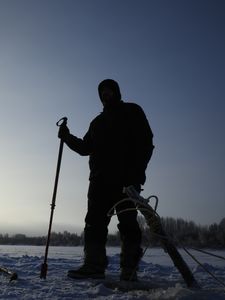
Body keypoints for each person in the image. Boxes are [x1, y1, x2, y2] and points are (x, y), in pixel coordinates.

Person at [58, 79, 154, 281]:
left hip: (126, 181)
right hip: (99, 182)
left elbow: (146, 143)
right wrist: (66, 137)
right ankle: (93, 266)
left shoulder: (132, 111)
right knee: (94, 224)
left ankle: (129, 270)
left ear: (117, 92)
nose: (106, 94)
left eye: (109, 91)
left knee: (128, 224)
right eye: (102, 92)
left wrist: (137, 174)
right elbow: (85, 148)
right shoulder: (97, 123)